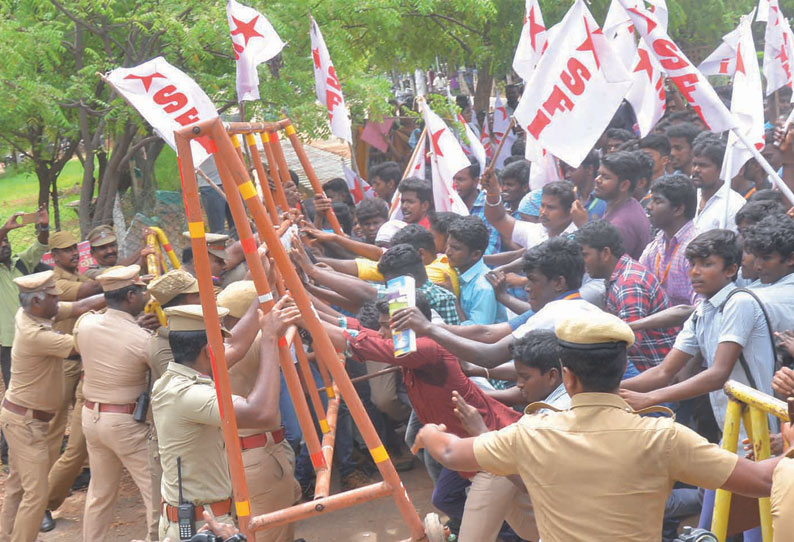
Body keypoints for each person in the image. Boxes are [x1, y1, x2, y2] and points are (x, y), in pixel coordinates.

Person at [413, 310, 790, 542]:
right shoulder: (663, 436)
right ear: (619, 373)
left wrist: (429, 432)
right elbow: (761, 481)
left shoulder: (532, 432)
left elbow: (449, 451)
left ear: (567, 379)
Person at [322, 294, 525, 539]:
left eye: (388, 327)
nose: (383, 332)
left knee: (483, 533)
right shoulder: (413, 343)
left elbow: (358, 342)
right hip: (469, 448)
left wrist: (304, 317)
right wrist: (307, 310)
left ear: (411, 324)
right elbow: (357, 330)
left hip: (489, 450)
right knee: (448, 497)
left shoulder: (426, 347)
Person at [152, 298, 299, 540]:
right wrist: (270, 339)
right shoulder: (190, 394)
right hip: (203, 526)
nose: (226, 347)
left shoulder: (175, 378)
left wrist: (262, 295)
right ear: (207, 351)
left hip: (203, 519)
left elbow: (237, 345)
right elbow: (262, 413)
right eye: (220, 343)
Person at [0, 270, 102, 542]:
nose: (58, 301)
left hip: (24, 418)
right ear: (36, 301)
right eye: (54, 298)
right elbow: (84, 344)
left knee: (17, 488)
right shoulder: (36, 334)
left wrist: (113, 294)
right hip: (26, 423)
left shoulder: (34, 314)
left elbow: (80, 306)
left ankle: (8, 536)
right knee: (37, 493)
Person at [77, 265, 157, 541]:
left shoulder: (85, 324)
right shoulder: (142, 339)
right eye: (142, 292)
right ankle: (153, 537)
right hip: (125, 423)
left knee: (99, 493)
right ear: (131, 297)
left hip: (91, 417)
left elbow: (108, 339)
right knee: (154, 490)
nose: (146, 297)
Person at [217, 282, 301, 542]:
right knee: (272, 535)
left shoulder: (214, 349)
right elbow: (290, 328)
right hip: (258, 457)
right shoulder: (255, 343)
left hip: (229, 457)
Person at [44, 230, 104, 531]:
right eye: (66, 251)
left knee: (77, 444)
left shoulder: (78, 275)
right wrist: (121, 280)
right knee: (54, 434)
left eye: (74, 249)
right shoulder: (58, 280)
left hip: (85, 364)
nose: (73, 253)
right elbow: (88, 294)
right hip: (64, 364)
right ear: (54, 256)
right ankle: (41, 499)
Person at [575, 220, 676, 371]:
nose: (582, 262)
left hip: (655, 371)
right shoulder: (619, 274)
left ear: (605, 253)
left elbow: (628, 341)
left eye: (585, 255)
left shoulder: (628, 284)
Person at [0, 207, 49, 419]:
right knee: (16, 396)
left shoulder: (21, 262)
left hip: (32, 337)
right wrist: (4, 230)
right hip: (9, 342)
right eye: (1, 242)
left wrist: (44, 227)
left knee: (39, 388)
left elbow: (41, 245)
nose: (4, 245)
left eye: (6, 242)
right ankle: (8, 445)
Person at [639, 174, 699, 306]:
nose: (649, 207)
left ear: (678, 209)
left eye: (657, 201)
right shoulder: (656, 245)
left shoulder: (696, 249)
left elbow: (699, 309)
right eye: (651, 200)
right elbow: (639, 286)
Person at [482, 175, 576, 250]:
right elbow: (497, 219)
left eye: (551, 208)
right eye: (542, 205)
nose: (543, 212)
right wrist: (492, 191)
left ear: (569, 211)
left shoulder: (579, 239)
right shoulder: (535, 232)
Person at [589, 151, 651, 260]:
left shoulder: (621, 224)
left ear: (624, 185)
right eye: (599, 174)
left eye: (606, 177)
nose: (597, 180)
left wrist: (582, 225)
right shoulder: (626, 205)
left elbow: (605, 265)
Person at [446, 216, 503, 325]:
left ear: (475, 254)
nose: (448, 252)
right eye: (448, 245)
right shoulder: (457, 269)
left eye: (455, 248)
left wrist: (452, 298)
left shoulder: (483, 288)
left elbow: (478, 334)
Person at [691, 138, 746, 233]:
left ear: (722, 169)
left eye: (703, 165)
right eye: (694, 164)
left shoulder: (734, 205)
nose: (696, 169)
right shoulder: (689, 196)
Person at [454, 158, 501, 255]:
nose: (455, 184)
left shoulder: (489, 205)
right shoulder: (448, 201)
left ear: (476, 181)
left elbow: (491, 249)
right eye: (452, 179)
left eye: (460, 179)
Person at [82, 225, 153, 279]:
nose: (110, 251)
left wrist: (145, 246)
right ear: (92, 253)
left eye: (112, 245)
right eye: (102, 248)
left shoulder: (122, 263)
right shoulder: (90, 272)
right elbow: (118, 273)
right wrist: (143, 254)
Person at [562, 150, 607, 221]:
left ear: (589, 169)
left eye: (572, 170)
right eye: (566, 170)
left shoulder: (605, 201)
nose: (567, 175)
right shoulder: (568, 199)